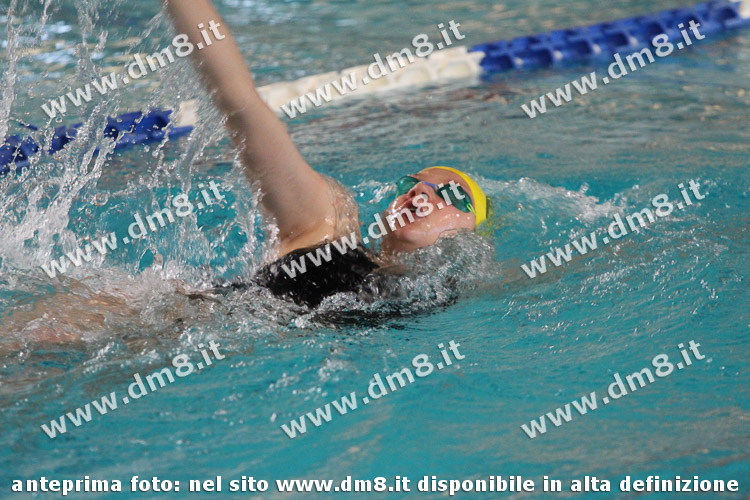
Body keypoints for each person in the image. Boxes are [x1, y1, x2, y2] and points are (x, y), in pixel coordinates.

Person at [164, 0, 491, 307]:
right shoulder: (326, 223)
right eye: (410, 183)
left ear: (474, 235)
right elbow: (239, 102)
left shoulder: (448, 300)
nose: (419, 191)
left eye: (451, 194)